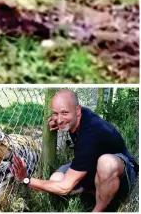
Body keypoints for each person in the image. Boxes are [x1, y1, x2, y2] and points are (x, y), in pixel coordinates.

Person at [10, 89, 138, 213]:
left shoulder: (91, 133)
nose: (59, 119)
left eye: (64, 113)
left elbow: (65, 188)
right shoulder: (79, 116)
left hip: (123, 173)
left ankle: (100, 209)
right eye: (55, 113)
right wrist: (58, 121)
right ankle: (96, 191)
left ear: (77, 110)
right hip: (92, 167)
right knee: (55, 179)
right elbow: (62, 117)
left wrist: (26, 179)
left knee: (106, 163)